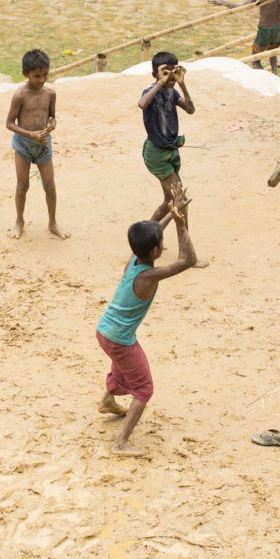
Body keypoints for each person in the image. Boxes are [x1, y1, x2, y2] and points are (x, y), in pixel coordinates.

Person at [96, 186, 197, 456]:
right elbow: (189, 260)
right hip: (119, 338)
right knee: (144, 389)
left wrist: (172, 211)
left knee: (122, 365)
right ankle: (120, 443)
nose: (163, 244)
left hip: (105, 331)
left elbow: (153, 231)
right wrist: (181, 223)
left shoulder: (134, 261)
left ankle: (108, 399)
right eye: (161, 243)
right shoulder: (149, 277)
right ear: (154, 251)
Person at [138, 52, 205, 251]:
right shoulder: (151, 90)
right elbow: (142, 104)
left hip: (171, 152)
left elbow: (191, 110)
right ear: (155, 74)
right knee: (180, 201)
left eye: (174, 72)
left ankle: (145, 240)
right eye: (166, 72)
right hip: (156, 155)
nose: (171, 78)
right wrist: (160, 82)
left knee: (170, 200)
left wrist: (182, 85)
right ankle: (185, 253)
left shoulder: (173, 92)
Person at [5, 48, 69, 240]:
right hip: (23, 145)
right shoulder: (20, 95)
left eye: (45, 75)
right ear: (25, 74)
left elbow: (53, 116)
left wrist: (52, 125)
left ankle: (52, 222)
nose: (42, 79)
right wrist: (30, 134)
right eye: (36, 76)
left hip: (43, 145)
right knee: (22, 186)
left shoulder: (50, 93)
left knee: (49, 185)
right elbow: (9, 123)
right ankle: (19, 220)